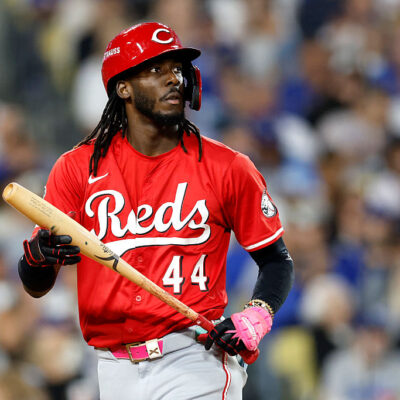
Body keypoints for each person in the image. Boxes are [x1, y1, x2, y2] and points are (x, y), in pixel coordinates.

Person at [17, 22, 294, 400]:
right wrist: (37, 259)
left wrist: (258, 313)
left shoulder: (227, 166)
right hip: (112, 368)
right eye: (155, 69)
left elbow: (276, 260)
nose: (173, 79)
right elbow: (36, 284)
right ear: (123, 87)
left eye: (177, 69)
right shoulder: (77, 167)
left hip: (195, 357)